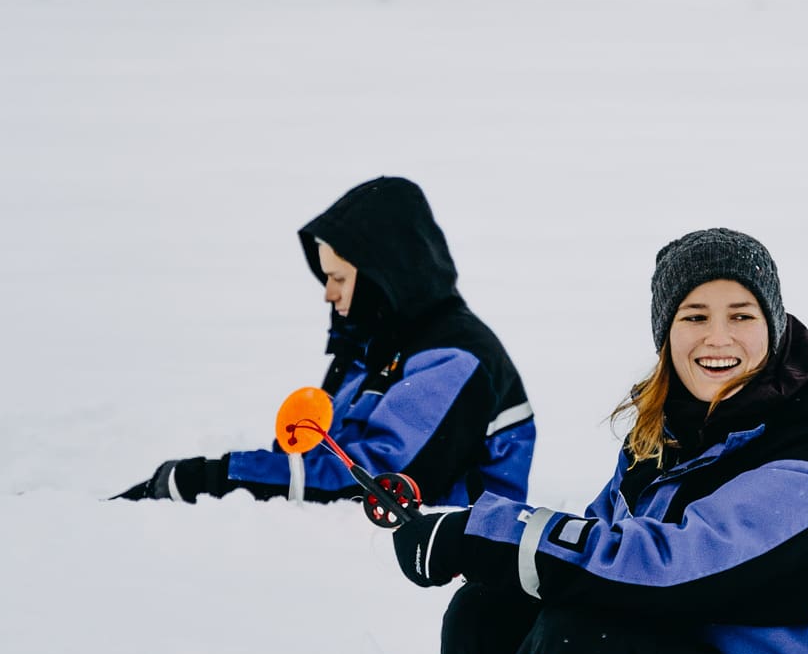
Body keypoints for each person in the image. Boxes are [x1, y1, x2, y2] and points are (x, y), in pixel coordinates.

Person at [390, 228, 808, 654]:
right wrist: (499, 562)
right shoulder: (663, 436)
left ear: (772, 328)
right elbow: (602, 553)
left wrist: (493, 538)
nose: (718, 337)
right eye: (695, 316)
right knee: (486, 611)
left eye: (741, 315)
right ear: (667, 334)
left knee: (579, 635)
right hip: (692, 642)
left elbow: (672, 566)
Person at [119, 176, 534, 508]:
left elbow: (373, 487)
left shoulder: (452, 361)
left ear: (383, 278)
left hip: (441, 568)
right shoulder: (378, 346)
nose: (328, 293)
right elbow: (316, 455)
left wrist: (213, 479)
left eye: (338, 279)